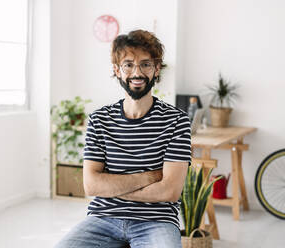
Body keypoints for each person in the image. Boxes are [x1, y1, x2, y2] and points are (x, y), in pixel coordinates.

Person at [54, 29, 191, 248]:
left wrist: (112, 187)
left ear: (157, 70)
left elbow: (169, 191)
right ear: (117, 70)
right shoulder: (99, 120)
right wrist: (149, 177)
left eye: (145, 64)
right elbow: (91, 185)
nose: (137, 72)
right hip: (102, 219)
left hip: (156, 222)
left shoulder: (177, 121)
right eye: (128, 64)